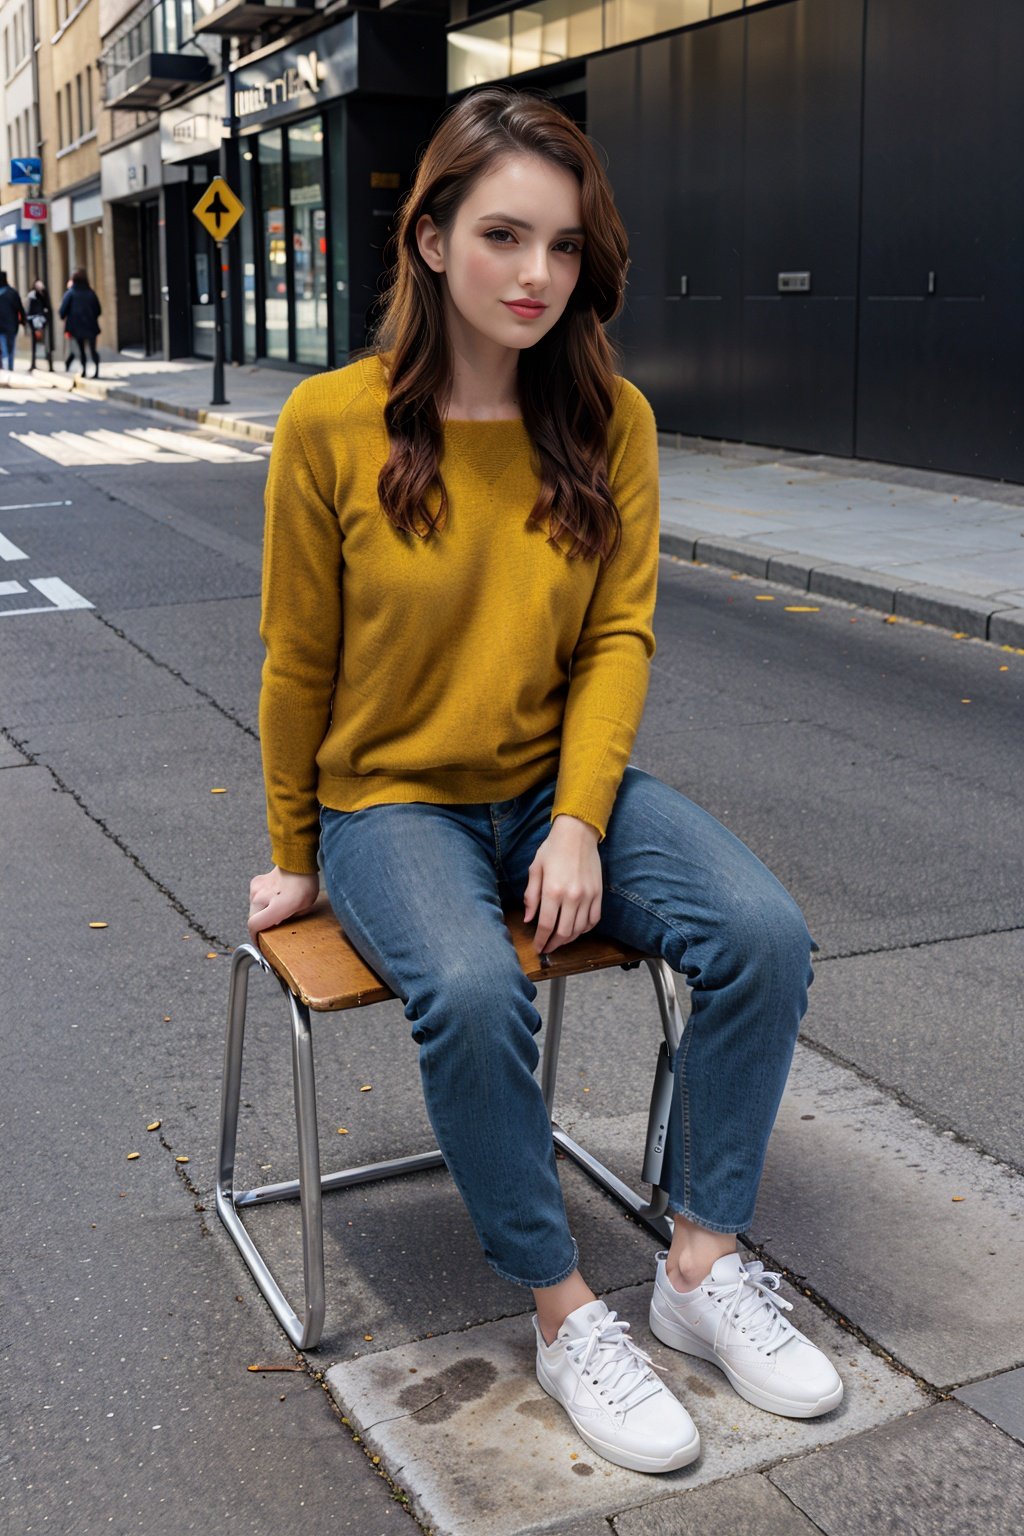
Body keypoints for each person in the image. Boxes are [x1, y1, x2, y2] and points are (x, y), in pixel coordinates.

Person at [247, 87, 842, 1475]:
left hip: (550, 786)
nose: (536, 275)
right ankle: (566, 1312)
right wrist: (292, 846)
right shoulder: (329, 426)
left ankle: (696, 1271)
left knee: (758, 934)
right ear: (434, 238)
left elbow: (619, 635)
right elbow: (293, 659)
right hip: (388, 802)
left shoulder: (608, 420)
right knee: (468, 987)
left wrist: (578, 821)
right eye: (506, 235)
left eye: (565, 246)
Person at [59, 268, 101, 377]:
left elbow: (62, 311)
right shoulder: (91, 293)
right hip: (91, 326)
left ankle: (84, 371)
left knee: (81, 350)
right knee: (93, 349)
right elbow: (98, 310)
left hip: (76, 327)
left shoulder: (70, 293)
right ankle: (96, 371)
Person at [0, 270, 26, 372]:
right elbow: (20, 309)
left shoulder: (12, 293)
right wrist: (23, 322)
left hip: (4, 326)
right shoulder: (12, 293)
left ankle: (7, 367)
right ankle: (9, 367)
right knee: (10, 347)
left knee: (4, 347)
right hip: (11, 325)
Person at [26, 279, 54, 372]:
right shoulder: (32, 295)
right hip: (35, 323)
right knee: (36, 345)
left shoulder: (44, 295)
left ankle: (49, 365)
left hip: (43, 323)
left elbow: (48, 307)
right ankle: (34, 364)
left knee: (47, 345)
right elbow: (29, 310)